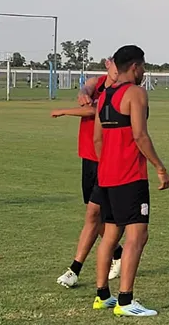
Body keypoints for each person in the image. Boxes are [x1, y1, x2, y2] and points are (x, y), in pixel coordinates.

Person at [93, 45, 169, 317]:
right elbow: (140, 135)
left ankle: (103, 295)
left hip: (106, 176)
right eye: (144, 67)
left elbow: (97, 139)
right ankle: (125, 301)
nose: (144, 72)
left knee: (111, 235)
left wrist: (107, 166)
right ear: (136, 67)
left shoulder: (103, 96)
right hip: (130, 176)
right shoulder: (136, 93)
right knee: (137, 235)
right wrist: (160, 167)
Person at [53, 59, 123, 288]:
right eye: (114, 67)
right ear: (108, 64)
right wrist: (83, 92)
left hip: (106, 160)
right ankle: (118, 251)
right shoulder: (99, 82)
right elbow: (88, 87)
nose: (117, 72)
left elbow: (94, 110)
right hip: (89, 159)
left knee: (93, 214)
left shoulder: (120, 92)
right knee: (95, 215)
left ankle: (75, 269)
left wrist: (65, 111)